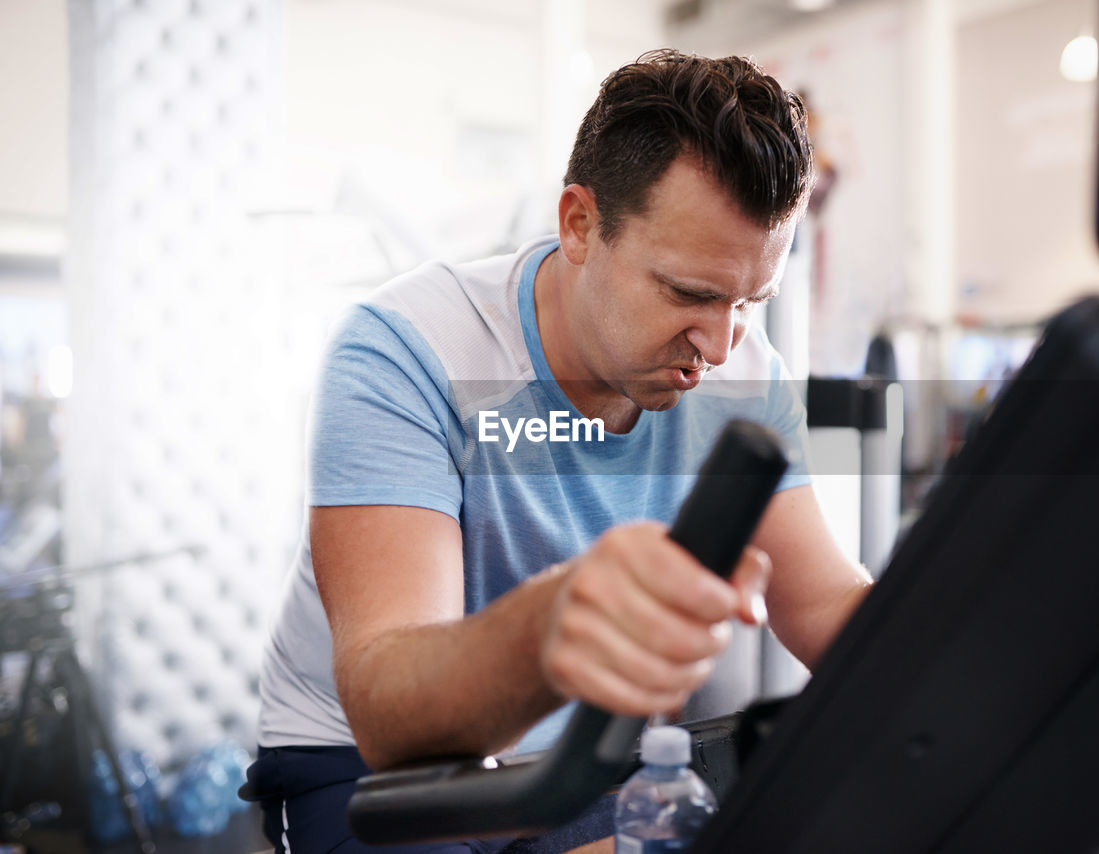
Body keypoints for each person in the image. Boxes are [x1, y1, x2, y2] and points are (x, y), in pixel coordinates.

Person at [243, 49, 872, 853]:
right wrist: (553, 625)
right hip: (366, 764)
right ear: (580, 225)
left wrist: (982, 646)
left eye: (752, 301)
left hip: (582, 759)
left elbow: (821, 603)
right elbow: (388, 707)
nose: (720, 344)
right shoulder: (407, 351)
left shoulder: (745, 372)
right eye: (690, 293)